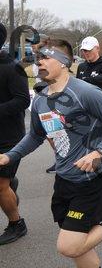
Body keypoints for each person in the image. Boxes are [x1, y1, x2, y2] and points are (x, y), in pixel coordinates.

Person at [0, 39, 102, 266]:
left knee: (69, 246)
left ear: (64, 62)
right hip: (64, 179)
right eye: (38, 58)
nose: (39, 62)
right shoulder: (41, 100)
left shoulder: (85, 91)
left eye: (46, 57)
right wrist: (9, 156)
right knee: (79, 247)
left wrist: (99, 152)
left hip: (91, 179)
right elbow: (35, 135)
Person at [0, 24, 29, 245]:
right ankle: (10, 185)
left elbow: (23, 100)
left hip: (9, 137)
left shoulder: (12, 67)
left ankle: (16, 224)